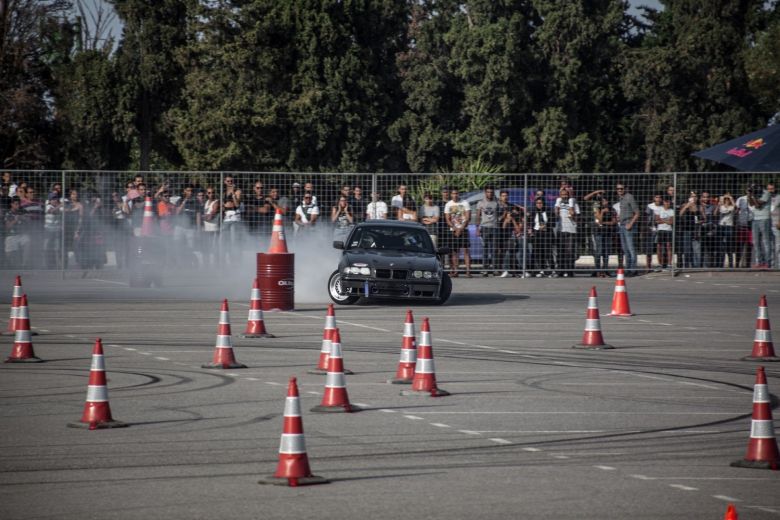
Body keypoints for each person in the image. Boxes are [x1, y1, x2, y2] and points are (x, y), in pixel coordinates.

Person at [444, 188, 471, 277]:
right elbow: (447, 219)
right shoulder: (448, 204)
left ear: (459, 194)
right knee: (454, 252)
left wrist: (461, 228)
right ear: (451, 195)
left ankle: (468, 271)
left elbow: (468, 217)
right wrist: (455, 228)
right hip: (453, 230)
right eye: (453, 193)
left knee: (466, 251)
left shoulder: (465, 203)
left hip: (464, 229)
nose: (455, 195)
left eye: (456, 193)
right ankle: (455, 271)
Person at [554, 187, 579, 277]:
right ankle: (560, 270)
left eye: (566, 195)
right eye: (562, 195)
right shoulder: (559, 202)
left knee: (570, 252)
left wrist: (573, 214)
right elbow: (556, 215)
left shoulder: (573, 202)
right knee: (560, 251)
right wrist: (557, 208)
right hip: (561, 229)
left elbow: (578, 218)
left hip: (571, 230)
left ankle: (570, 271)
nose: (564, 196)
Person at [616, 184, 640, 276]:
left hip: (628, 224)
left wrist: (631, 223)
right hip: (621, 225)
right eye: (618, 189)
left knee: (631, 249)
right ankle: (628, 269)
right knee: (625, 249)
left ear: (625, 189)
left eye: (621, 188)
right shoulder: (621, 199)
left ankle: (633, 270)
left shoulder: (629, 197)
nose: (620, 190)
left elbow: (637, 213)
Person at [591, 194, 616, 277]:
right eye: (604, 201)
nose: (605, 202)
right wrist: (602, 212)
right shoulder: (597, 208)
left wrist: (604, 223)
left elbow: (613, 222)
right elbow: (598, 220)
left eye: (606, 201)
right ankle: (597, 271)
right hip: (598, 232)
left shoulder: (612, 209)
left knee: (606, 252)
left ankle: (605, 270)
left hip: (607, 232)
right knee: (599, 251)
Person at [748, 183, 773, 268]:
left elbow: (758, 205)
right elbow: (751, 204)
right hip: (755, 219)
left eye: (755, 188)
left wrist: (753, 196)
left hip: (764, 218)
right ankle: (759, 262)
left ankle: (767, 262)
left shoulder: (766, 193)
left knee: (765, 241)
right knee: (756, 242)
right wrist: (749, 194)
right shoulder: (755, 194)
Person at [476, 186, 499, 276]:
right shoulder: (481, 203)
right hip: (484, 227)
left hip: (494, 227)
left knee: (494, 249)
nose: (490, 194)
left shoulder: (496, 202)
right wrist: (477, 228)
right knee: (485, 249)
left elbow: (500, 212)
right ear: (485, 193)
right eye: (488, 192)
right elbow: (478, 216)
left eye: (491, 192)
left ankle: (494, 268)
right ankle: (485, 268)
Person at [530, 198, 554, 277]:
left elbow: (552, 222)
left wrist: (546, 226)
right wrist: (531, 230)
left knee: (548, 252)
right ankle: (541, 270)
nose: (539, 204)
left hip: (546, 233)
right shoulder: (533, 212)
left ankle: (552, 269)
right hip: (537, 233)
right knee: (538, 252)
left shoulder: (548, 211)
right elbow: (530, 222)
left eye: (541, 203)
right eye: (537, 203)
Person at [698, 191, 719, 268]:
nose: (706, 198)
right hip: (702, 230)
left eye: (707, 197)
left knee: (711, 249)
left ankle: (711, 266)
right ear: (701, 198)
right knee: (702, 249)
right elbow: (699, 219)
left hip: (711, 230)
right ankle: (700, 266)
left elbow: (715, 215)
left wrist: (717, 206)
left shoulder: (712, 206)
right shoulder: (698, 206)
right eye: (704, 197)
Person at [201, 187, 220, 267]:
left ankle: (215, 265)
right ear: (206, 193)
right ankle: (206, 265)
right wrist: (205, 216)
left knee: (214, 248)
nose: (211, 194)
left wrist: (202, 216)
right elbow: (207, 216)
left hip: (213, 229)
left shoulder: (216, 202)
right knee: (206, 248)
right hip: (206, 228)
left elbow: (210, 217)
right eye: (209, 193)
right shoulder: (206, 202)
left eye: (212, 192)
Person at [44, 193, 63, 269]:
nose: (54, 200)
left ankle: (58, 265)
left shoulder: (59, 207)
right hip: (48, 231)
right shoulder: (48, 206)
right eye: (53, 199)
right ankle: (47, 265)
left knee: (57, 248)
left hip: (56, 231)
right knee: (46, 248)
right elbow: (51, 211)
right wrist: (60, 206)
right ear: (50, 200)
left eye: (55, 199)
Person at [735, 188, 753, 268]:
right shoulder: (741, 199)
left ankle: (748, 264)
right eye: (748, 190)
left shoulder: (755, 199)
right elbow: (736, 210)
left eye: (751, 190)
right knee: (739, 245)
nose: (749, 192)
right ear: (746, 191)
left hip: (751, 224)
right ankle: (737, 264)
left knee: (749, 245)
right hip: (741, 224)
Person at [646, 194, 664, 272]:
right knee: (649, 249)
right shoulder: (650, 206)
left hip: (660, 229)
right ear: (654, 198)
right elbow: (646, 219)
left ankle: (660, 265)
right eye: (656, 197)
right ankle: (648, 267)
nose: (658, 199)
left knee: (659, 248)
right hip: (650, 230)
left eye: (660, 197)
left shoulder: (663, 207)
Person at [655, 197, 674, 271]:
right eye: (666, 202)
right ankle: (659, 264)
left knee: (668, 247)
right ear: (663, 202)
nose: (667, 204)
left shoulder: (672, 211)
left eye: (668, 202)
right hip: (660, 230)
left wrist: (662, 220)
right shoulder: (659, 209)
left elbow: (671, 222)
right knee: (659, 247)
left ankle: (669, 264)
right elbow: (657, 220)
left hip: (668, 230)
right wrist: (666, 220)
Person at [718, 192, 736, 268]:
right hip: (722, 226)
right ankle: (721, 264)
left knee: (729, 246)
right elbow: (721, 209)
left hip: (729, 226)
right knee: (721, 246)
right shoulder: (721, 207)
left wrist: (731, 198)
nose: (726, 201)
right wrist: (723, 198)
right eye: (725, 199)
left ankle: (731, 264)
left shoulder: (731, 207)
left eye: (728, 200)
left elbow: (735, 206)